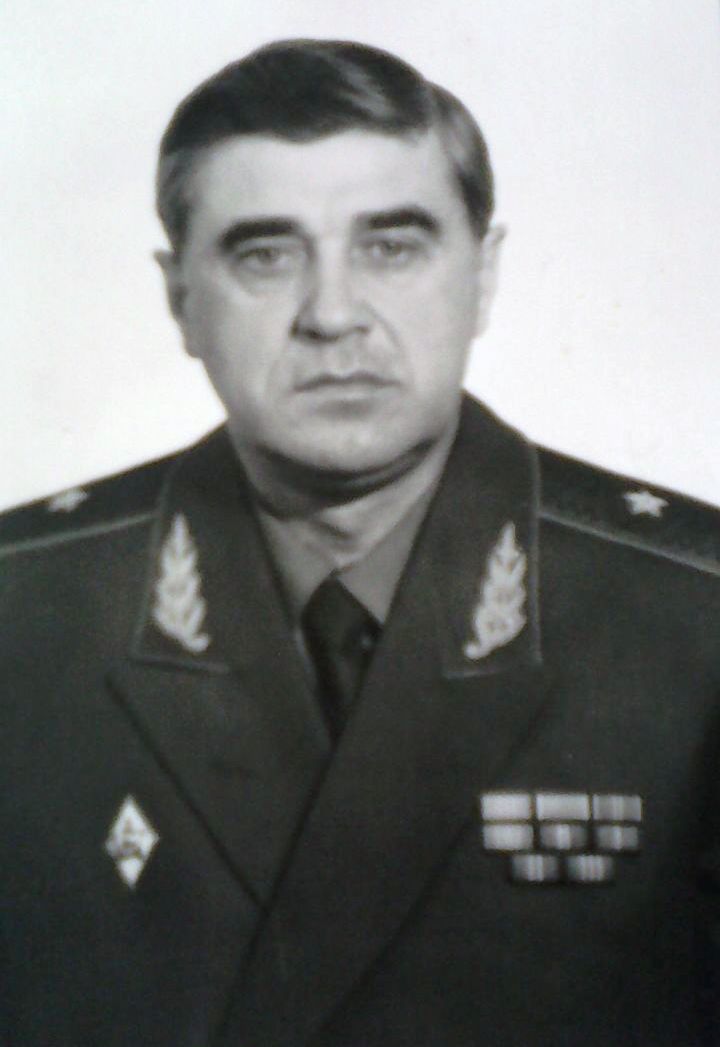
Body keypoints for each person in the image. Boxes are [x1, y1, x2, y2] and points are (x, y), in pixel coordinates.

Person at [1, 38, 720, 1047]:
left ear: (483, 275)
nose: (333, 315)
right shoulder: (24, 613)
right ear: (180, 301)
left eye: (392, 247)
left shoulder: (695, 617)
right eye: (265, 255)